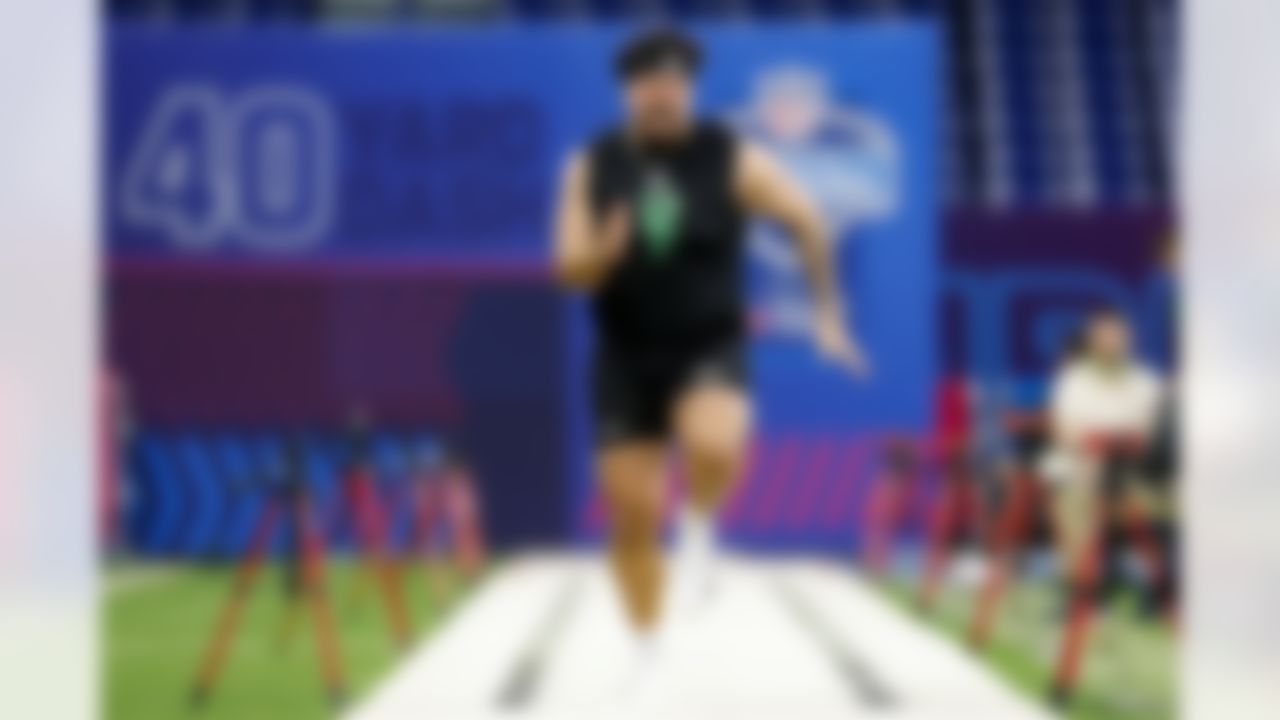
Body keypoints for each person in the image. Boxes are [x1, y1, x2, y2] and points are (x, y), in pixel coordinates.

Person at [551, 26, 867, 675]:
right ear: (629, 92)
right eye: (648, 86)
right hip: (625, 353)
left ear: (690, 91)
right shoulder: (591, 164)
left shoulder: (729, 156)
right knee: (632, 516)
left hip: (707, 340)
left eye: (673, 86)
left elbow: (807, 219)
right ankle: (645, 646)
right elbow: (565, 268)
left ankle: (699, 528)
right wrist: (599, 255)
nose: (662, 97)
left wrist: (828, 316)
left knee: (714, 444)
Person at [1042, 308, 1165, 598]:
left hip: (1137, 473)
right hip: (1085, 472)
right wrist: (1094, 442)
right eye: (1104, 336)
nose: (1111, 342)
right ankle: (1082, 588)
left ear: (1129, 339)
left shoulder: (1147, 383)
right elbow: (1065, 429)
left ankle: (1164, 588)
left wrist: (1134, 442)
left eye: (1118, 336)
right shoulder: (1072, 381)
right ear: (1092, 341)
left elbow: (1156, 431)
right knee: (1069, 496)